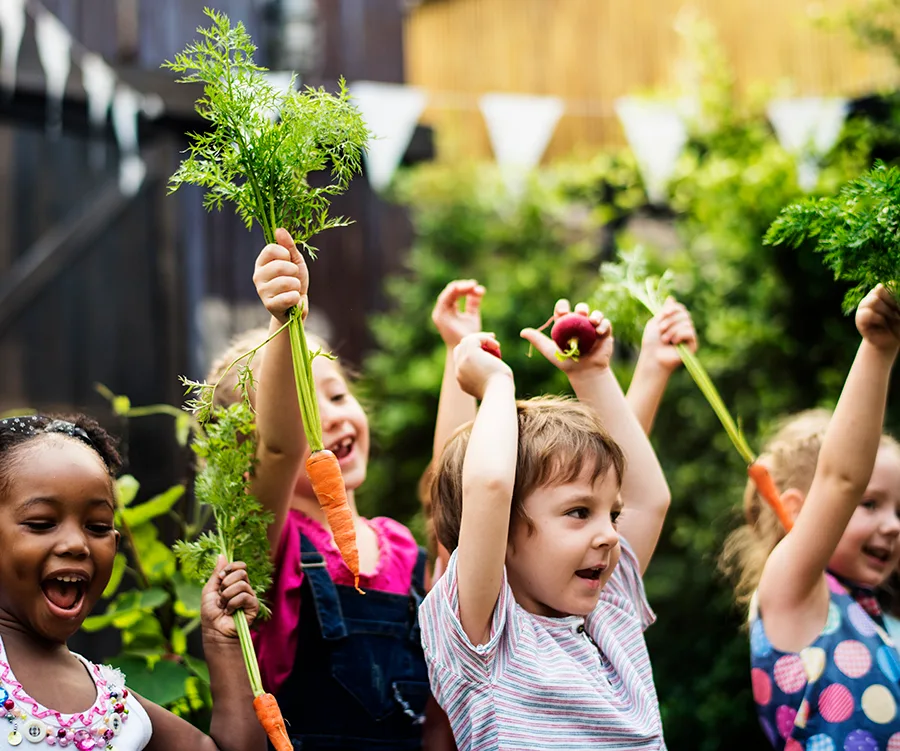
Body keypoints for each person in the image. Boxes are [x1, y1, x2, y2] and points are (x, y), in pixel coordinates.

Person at [215, 228, 458, 749]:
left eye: (338, 394)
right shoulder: (269, 546)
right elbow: (279, 452)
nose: (331, 419)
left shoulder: (400, 549)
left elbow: (450, 500)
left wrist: (459, 353)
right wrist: (286, 322)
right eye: (305, 408)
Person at [420, 299, 671, 749]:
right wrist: (497, 383)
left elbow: (650, 500)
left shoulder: (608, 612)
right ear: (500, 534)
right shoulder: (485, 639)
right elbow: (491, 486)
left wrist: (592, 374)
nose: (610, 534)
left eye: (610, 514)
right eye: (579, 512)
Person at [0, 413, 264, 751]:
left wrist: (223, 644)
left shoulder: (118, 709)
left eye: (96, 527)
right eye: (41, 523)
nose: (77, 544)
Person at [720, 285, 900, 748]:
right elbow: (841, 478)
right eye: (869, 503)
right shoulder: (794, 593)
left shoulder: (881, 623)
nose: (894, 525)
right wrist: (878, 350)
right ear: (800, 511)